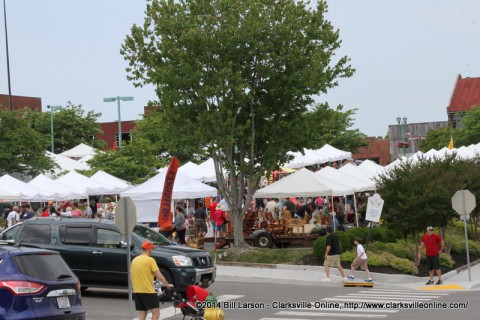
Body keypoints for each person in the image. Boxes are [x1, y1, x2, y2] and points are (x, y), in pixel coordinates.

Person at [130, 241, 174, 320]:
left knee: (142, 313)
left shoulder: (135, 260)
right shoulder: (150, 260)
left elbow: (131, 276)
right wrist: (167, 285)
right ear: (148, 249)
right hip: (148, 291)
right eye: (151, 249)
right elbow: (159, 276)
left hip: (137, 291)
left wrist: (134, 287)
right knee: (156, 313)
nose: (152, 250)